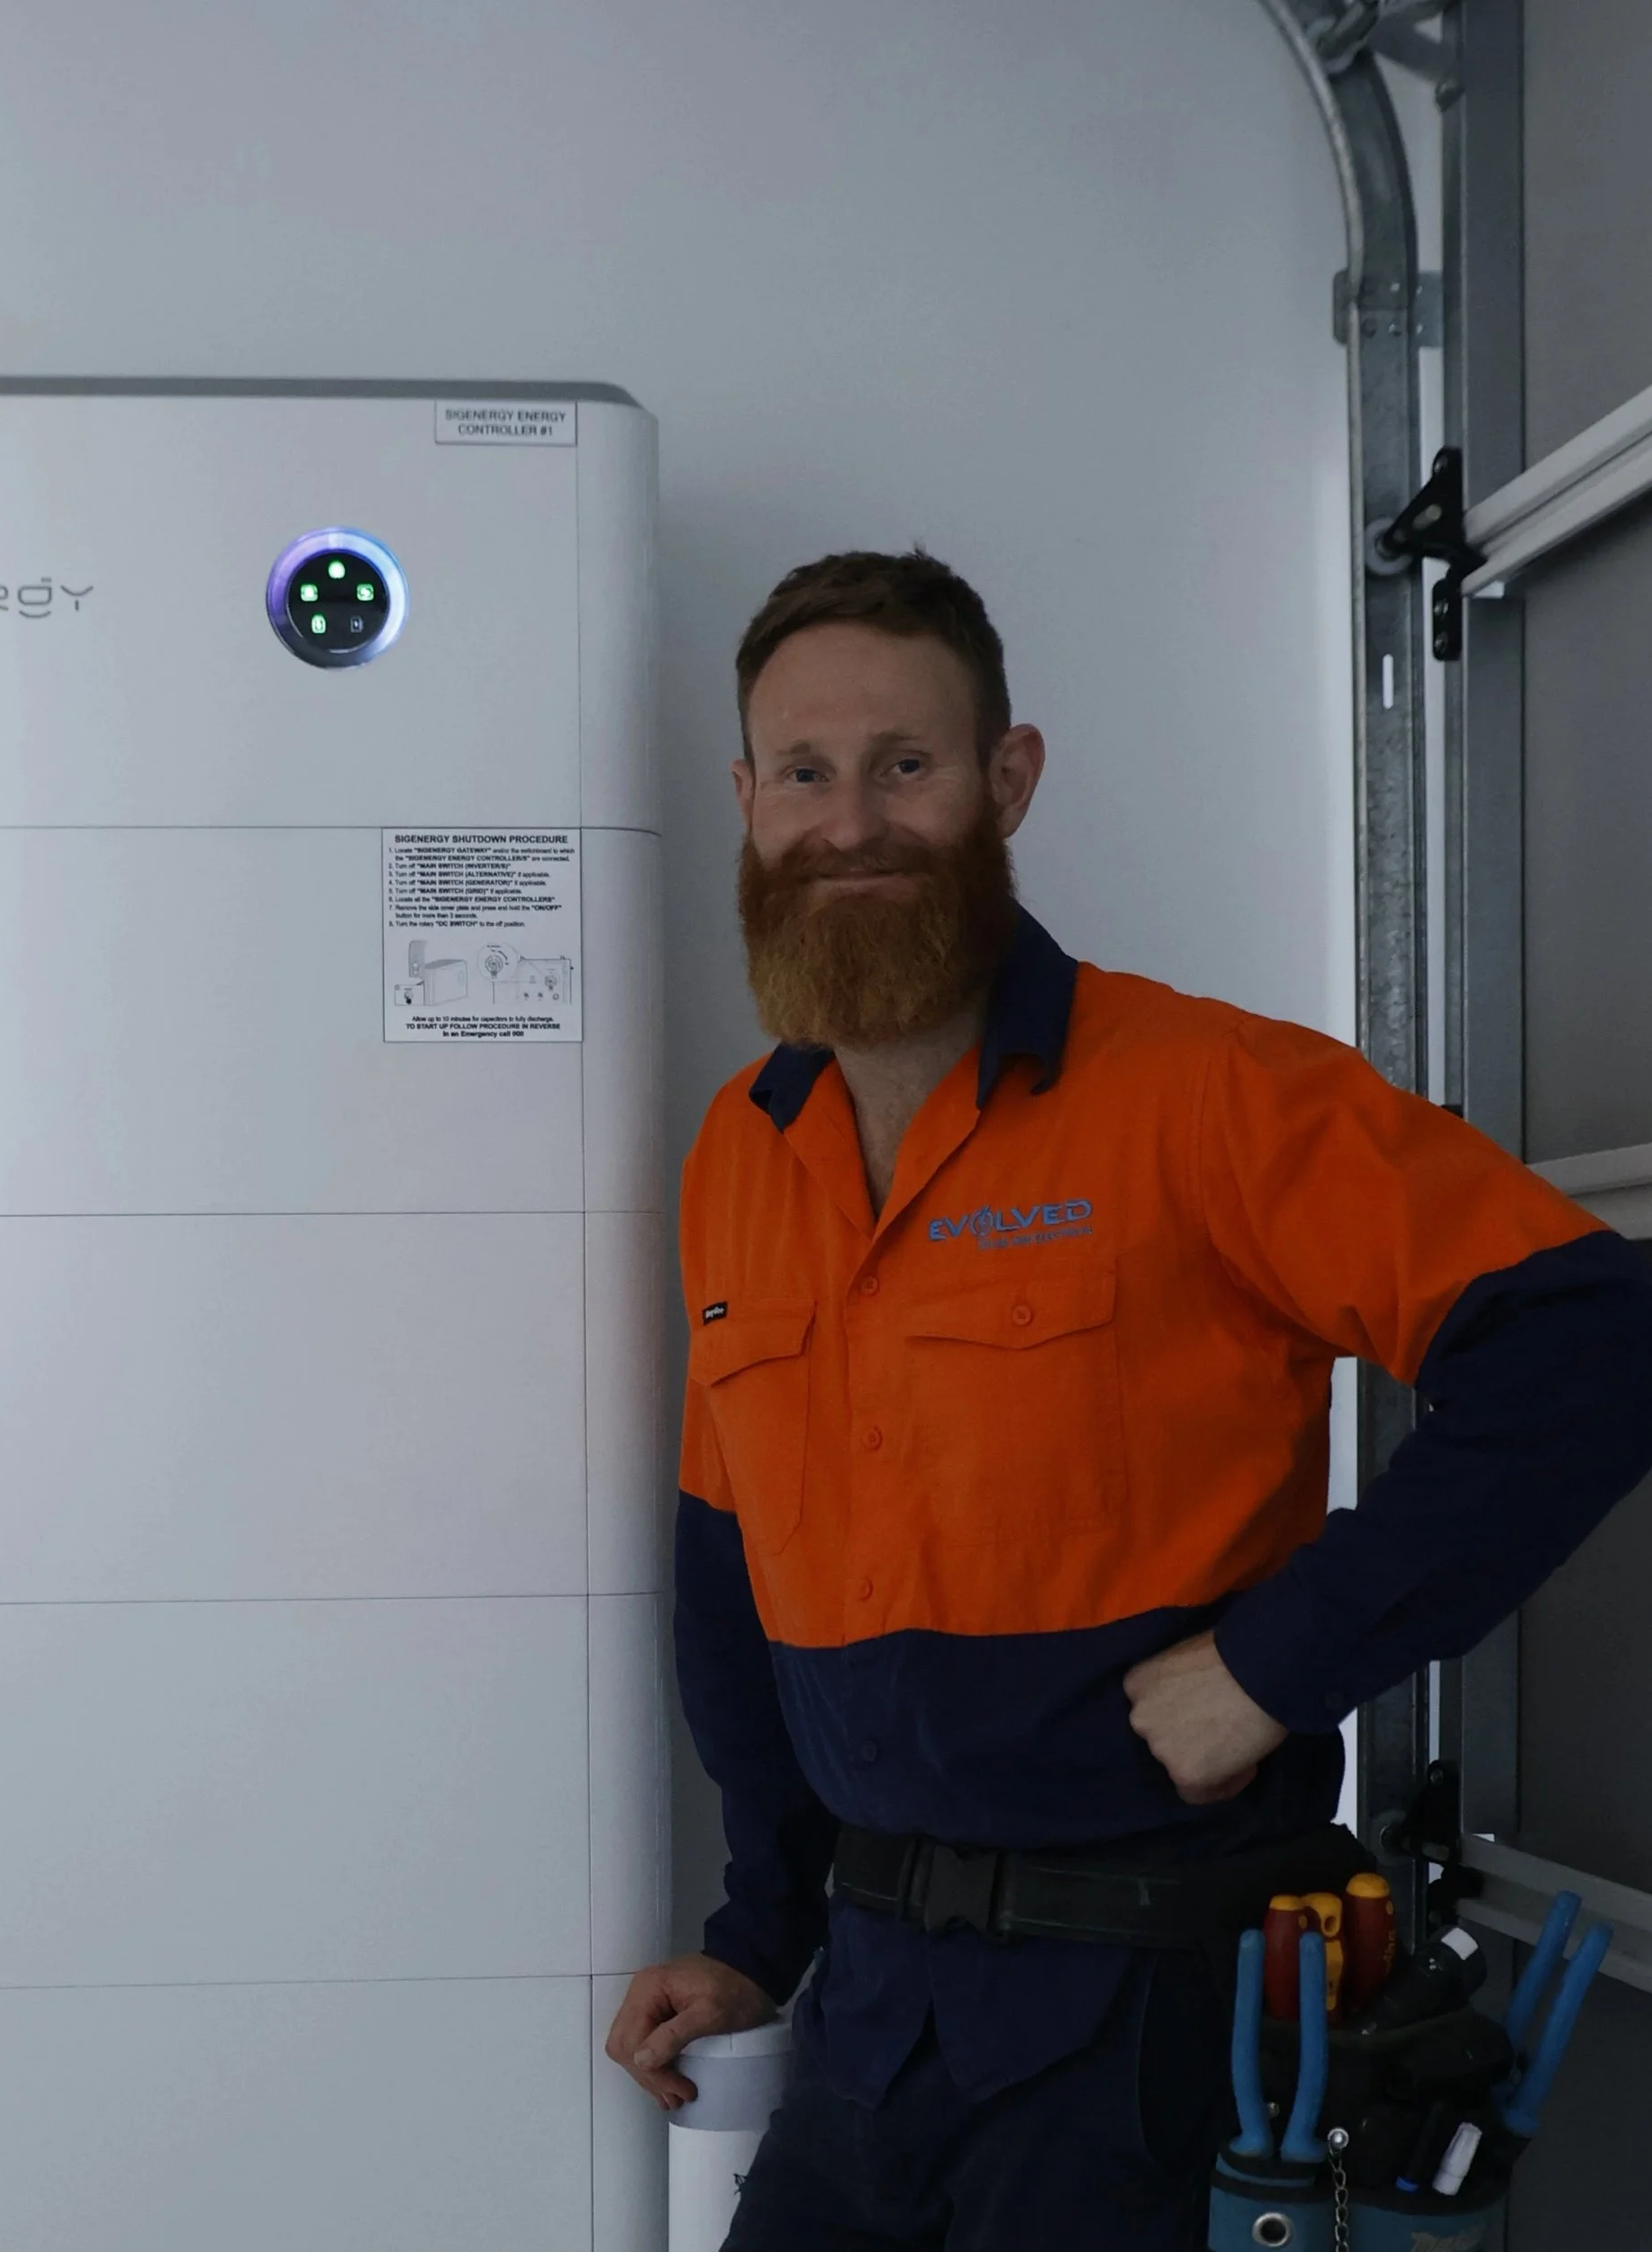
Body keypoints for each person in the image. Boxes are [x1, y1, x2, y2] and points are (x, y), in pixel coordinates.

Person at [604, 549, 1652, 2250]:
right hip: (870, 2024)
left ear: (1007, 781)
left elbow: (1590, 1343)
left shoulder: (1211, 1100)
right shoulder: (744, 1147)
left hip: (1159, 2043)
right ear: (747, 800)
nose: (852, 819)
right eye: (806, 772)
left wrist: (1280, 1658)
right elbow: (735, 1581)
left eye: (908, 765)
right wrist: (753, 1935)